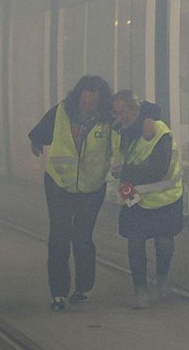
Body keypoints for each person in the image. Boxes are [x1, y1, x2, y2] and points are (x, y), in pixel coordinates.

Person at [28, 75, 114, 311]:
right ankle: (58, 293)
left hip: (92, 187)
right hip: (59, 183)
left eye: (92, 104)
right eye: (84, 103)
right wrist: (36, 144)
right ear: (77, 98)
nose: (87, 108)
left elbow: (121, 141)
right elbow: (38, 134)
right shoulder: (61, 112)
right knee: (59, 236)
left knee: (82, 238)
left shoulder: (108, 119)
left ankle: (83, 288)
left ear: (100, 102)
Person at [110, 90, 183, 309]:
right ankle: (140, 291)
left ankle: (162, 280)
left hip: (164, 197)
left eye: (123, 112)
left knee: (164, 243)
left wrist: (125, 171)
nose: (120, 117)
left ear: (135, 109)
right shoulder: (118, 131)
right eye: (116, 113)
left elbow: (158, 169)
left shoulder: (158, 131)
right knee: (135, 242)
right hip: (133, 195)